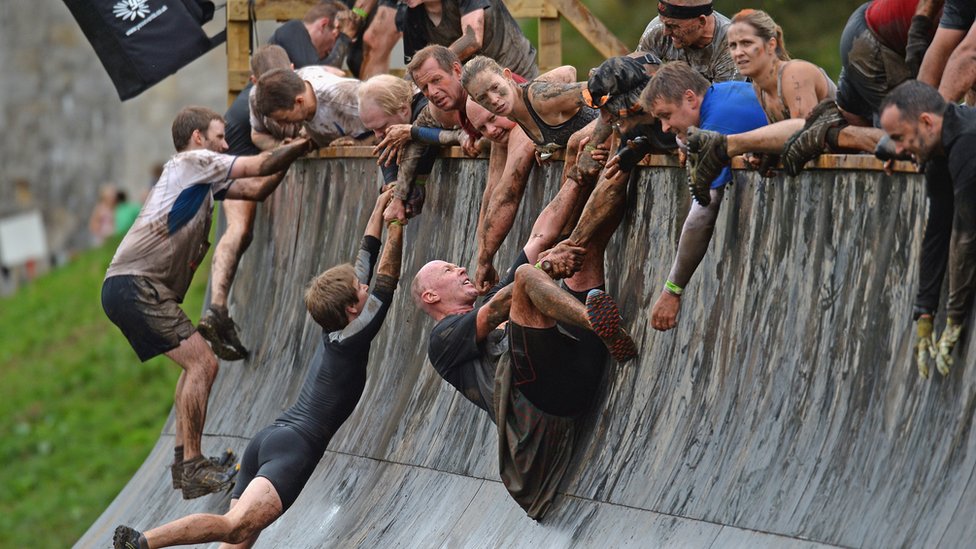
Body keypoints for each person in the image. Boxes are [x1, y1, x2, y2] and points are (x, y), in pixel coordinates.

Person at [112, 190, 404, 549]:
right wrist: (396, 224)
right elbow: (386, 284)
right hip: (295, 449)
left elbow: (366, 258)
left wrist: (378, 207)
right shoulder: (353, 338)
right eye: (360, 293)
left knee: (238, 540)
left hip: (268, 439)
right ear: (351, 312)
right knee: (234, 527)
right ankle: (143, 542)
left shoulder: (335, 326)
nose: (365, 286)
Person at [101, 107, 313, 499]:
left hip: (137, 287)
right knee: (204, 363)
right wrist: (304, 141)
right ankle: (194, 465)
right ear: (199, 138)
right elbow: (261, 162)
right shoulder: (192, 160)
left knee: (192, 367)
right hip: (138, 286)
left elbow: (257, 188)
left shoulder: (200, 177)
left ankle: (185, 464)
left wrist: (289, 156)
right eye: (219, 136)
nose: (225, 144)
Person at [413, 150, 637, 518]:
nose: (463, 268)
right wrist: (548, 263)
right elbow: (507, 299)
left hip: (574, 368)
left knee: (585, 247)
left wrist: (583, 175)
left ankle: (624, 160)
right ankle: (599, 324)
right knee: (527, 278)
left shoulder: (488, 297)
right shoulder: (443, 340)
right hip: (540, 403)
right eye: (451, 269)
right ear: (431, 295)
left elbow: (540, 232)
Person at [201, 1, 353, 361]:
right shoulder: (262, 98)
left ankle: (218, 308)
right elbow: (259, 141)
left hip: (243, 154)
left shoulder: (291, 80)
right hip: (237, 156)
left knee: (243, 232)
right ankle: (217, 307)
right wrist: (290, 147)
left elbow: (335, 77)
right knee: (237, 230)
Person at [639, 62, 767, 331]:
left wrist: (672, 290)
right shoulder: (721, 93)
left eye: (666, 115)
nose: (663, 127)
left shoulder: (718, 122)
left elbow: (702, 214)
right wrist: (684, 140)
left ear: (689, 98)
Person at [683, 9, 849, 192]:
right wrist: (764, 152)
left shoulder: (795, 73)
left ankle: (724, 144)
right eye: (733, 46)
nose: (738, 53)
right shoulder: (759, 86)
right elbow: (783, 140)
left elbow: (805, 132)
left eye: (746, 43)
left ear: (771, 45)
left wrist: (738, 144)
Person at [881, 83, 976, 377]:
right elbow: (937, 229)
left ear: (926, 122)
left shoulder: (968, 142)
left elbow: (965, 236)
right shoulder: (937, 146)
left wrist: (954, 320)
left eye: (900, 138)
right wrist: (924, 314)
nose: (898, 149)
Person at [358, 74, 465, 217]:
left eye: (381, 127)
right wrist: (392, 183)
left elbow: (428, 140)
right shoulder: (394, 118)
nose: (377, 135)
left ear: (403, 110)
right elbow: (386, 146)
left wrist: (415, 183)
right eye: (372, 130)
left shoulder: (428, 104)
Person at [396, 0, 538, 80]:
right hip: (470, 83)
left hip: (514, 72)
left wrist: (434, 62)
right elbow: (414, 68)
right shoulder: (410, 14)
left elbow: (472, 39)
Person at [255, 65, 370, 148]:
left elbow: (388, 122)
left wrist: (361, 144)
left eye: (285, 119)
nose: (281, 126)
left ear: (299, 101)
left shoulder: (345, 99)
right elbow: (336, 71)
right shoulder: (297, 80)